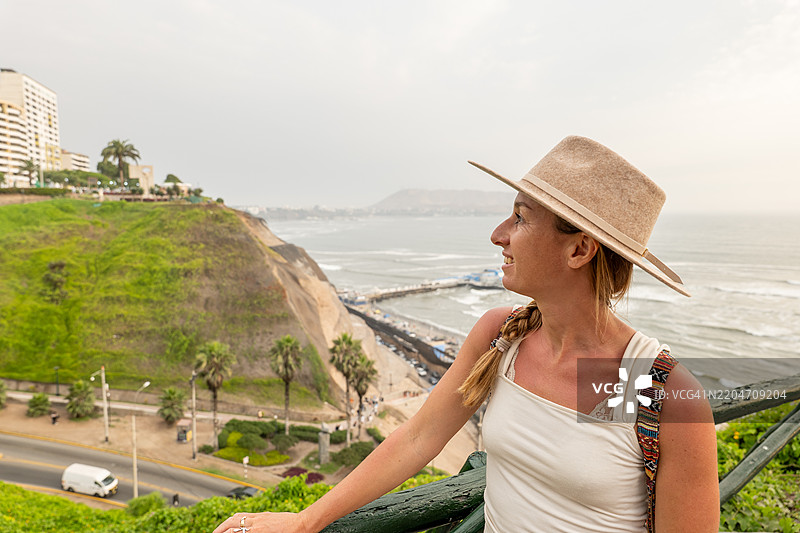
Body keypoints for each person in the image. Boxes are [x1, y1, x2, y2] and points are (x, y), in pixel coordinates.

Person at [213, 136, 720, 533]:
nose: (498, 234)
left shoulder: (653, 389)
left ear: (579, 251)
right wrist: (304, 522)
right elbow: (419, 437)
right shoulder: (504, 337)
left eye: (520, 218)